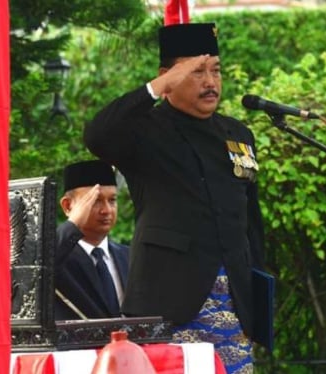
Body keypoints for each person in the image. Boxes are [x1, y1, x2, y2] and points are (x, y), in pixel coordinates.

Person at [84, 22, 265, 373]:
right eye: (196, 72)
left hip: (235, 305)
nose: (210, 82)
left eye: (215, 70)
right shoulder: (145, 130)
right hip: (170, 303)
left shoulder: (237, 133)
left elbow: (251, 223)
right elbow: (97, 134)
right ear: (167, 76)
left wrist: (258, 300)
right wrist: (155, 89)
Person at [54, 160, 129, 320]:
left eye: (112, 200)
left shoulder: (130, 257)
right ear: (67, 206)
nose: (107, 210)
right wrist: (73, 223)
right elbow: (36, 267)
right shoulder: (58, 255)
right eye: (95, 201)